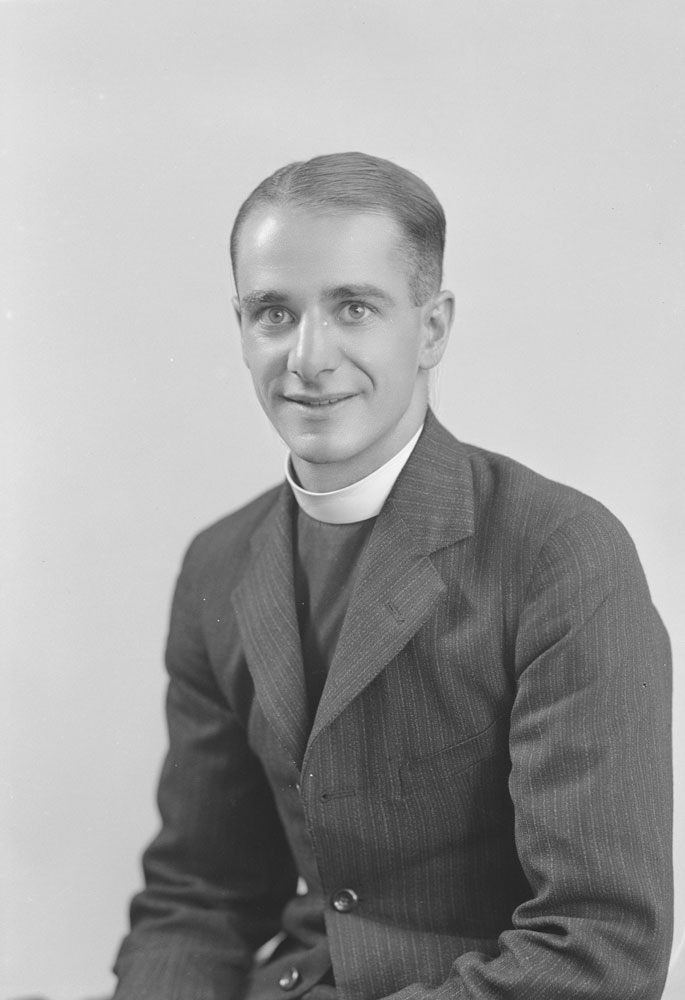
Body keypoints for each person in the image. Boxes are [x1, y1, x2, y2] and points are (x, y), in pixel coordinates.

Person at [111, 152, 673, 1000]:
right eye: (273, 312)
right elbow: (201, 897)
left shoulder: (561, 552)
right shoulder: (218, 564)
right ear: (239, 325)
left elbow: (598, 943)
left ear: (433, 326)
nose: (307, 358)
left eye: (353, 308)